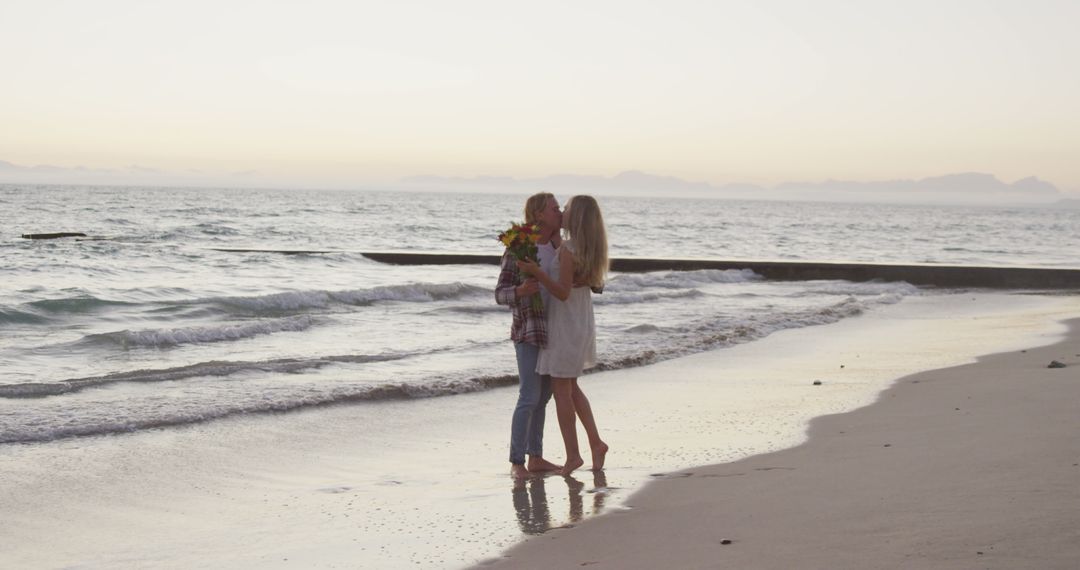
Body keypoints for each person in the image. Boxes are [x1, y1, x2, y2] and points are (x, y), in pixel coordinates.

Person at [517, 195, 609, 476]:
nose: (562, 211)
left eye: (565, 208)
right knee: (571, 388)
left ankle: (573, 456)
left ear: (576, 216)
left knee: (562, 393)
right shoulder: (585, 247)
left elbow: (562, 291)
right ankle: (595, 442)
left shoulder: (569, 249)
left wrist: (535, 272)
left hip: (565, 325)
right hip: (578, 322)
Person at [495, 193, 564, 478]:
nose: (559, 211)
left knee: (544, 396)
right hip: (529, 330)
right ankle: (516, 461)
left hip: (556, 330)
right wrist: (521, 292)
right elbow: (500, 293)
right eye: (554, 207)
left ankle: (536, 457)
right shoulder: (519, 248)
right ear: (538, 214)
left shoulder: (557, 246)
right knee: (529, 395)